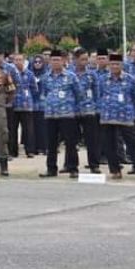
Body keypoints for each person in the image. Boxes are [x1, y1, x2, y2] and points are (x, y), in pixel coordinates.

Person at [97, 53, 135, 180]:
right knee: (109, 144)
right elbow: (98, 95)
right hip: (107, 115)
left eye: (117, 64)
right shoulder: (102, 79)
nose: (115, 66)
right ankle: (115, 170)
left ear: (122, 65)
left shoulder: (130, 79)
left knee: (133, 143)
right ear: (109, 65)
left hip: (125, 116)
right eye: (112, 64)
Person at [40, 50, 80, 178]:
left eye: (58, 60)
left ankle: (73, 168)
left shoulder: (71, 76)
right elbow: (43, 93)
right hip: (51, 115)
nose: (55, 62)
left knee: (70, 142)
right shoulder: (46, 77)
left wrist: (71, 107)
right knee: (51, 144)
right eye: (53, 60)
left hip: (67, 114)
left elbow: (78, 94)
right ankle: (51, 169)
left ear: (63, 61)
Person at [72, 49, 103, 174]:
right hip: (72, 111)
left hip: (89, 111)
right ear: (75, 59)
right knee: (72, 141)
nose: (85, 62)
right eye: (82, 59)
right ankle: (72, 166)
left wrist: (97, 108)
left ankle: (94, 165)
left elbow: (97, 93)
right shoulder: (69, 74)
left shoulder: (92, 75)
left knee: (92, 139)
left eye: (87, 59)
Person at [8, 53, 39, 159]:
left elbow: (34, 89)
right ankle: (12, 151)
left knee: (28, 130)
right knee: (12, 130)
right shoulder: (10, 74)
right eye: (16, 60)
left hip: (26, 105)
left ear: (24, 61)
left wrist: (29, 99)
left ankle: (30, 151)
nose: (18, 62)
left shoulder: (29, 74)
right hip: (13, 105)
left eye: (20, 60)